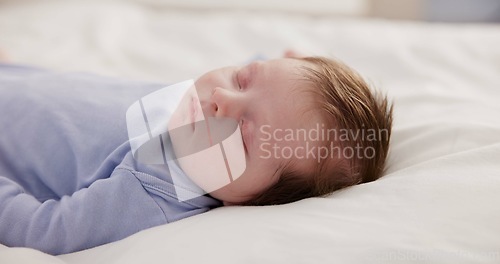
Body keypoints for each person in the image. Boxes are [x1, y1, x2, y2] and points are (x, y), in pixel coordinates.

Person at [0, 50, 392, 255]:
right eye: (242, 77)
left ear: (253, 202)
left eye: (243, 134)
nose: (223, 97)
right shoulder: (203, 114)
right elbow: (272, 92)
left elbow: (43, 231)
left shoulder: (150, 193)